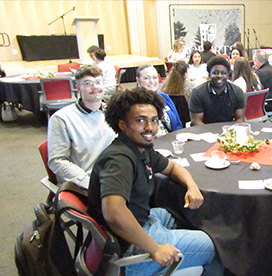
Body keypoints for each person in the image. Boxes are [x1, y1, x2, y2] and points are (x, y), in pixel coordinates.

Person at [87, 87, 222, 275]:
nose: (150, 127)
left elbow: (174, 167)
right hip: (130, 245)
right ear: (122, 125)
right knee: (214, 245)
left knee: (185, 215)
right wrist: (155, 248)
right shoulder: (119, 159)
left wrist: (192, 186)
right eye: (140, 120)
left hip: (143, 218)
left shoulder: (141, 148)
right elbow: (114, 213)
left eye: (154, 120)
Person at [47, 65, 115, 189]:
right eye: (88, 83)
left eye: (98, 82)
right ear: (78, 88)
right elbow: (57, 161)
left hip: (116, 175)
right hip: (87, 182)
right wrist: (89, 183)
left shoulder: (112, 111)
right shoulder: (62, 118)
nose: (95, 87)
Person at [189, 56, 245, 125]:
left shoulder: (237, 91)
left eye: (223, 73)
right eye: (215, 73)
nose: (219, 76)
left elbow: (240, 119)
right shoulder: (197, 93)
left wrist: (228, 133)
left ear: (228, 75)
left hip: (228, 131)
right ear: (209, 75)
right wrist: (212, 135)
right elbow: (196, 122)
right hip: (204, 132)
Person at [136, 64, 183, 137]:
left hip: (172, 142)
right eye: (147, 78)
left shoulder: (165, 97)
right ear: (138, 80)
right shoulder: (134, 103)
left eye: (154, 77)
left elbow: (178, 124)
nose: (152, 82)